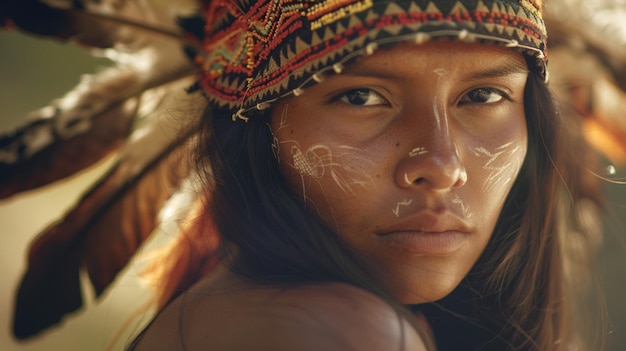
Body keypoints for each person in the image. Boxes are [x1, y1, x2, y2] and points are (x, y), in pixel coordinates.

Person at [3, 0, 604, 350]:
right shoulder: (338, 333)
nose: (441, 167)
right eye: (361, 97)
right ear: (256, 131)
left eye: (482, 94)